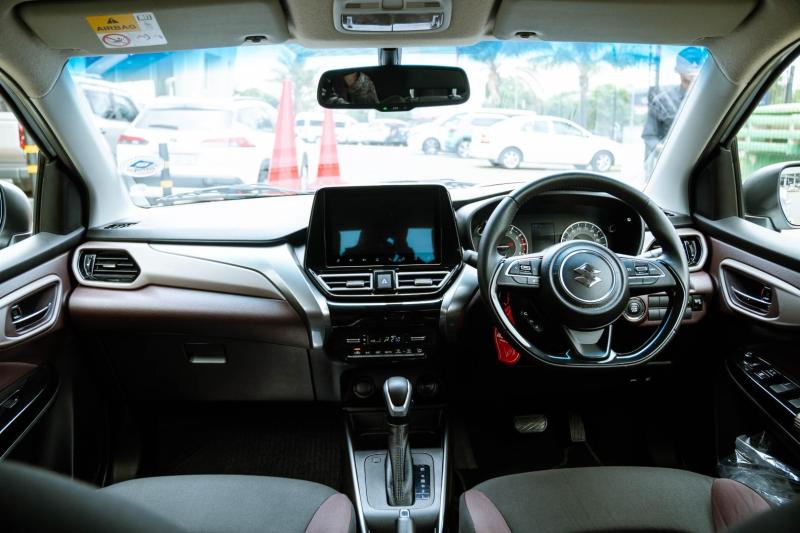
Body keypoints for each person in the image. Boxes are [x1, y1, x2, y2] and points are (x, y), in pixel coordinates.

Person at [642, 47, 705, 174]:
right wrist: (663, 150)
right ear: (677, 69)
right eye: (687, 62)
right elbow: (649, 136)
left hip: (702, 167)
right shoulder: (662, 101)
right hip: (669, 168)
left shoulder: (710, 100)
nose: (693, 66)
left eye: (696, 62)